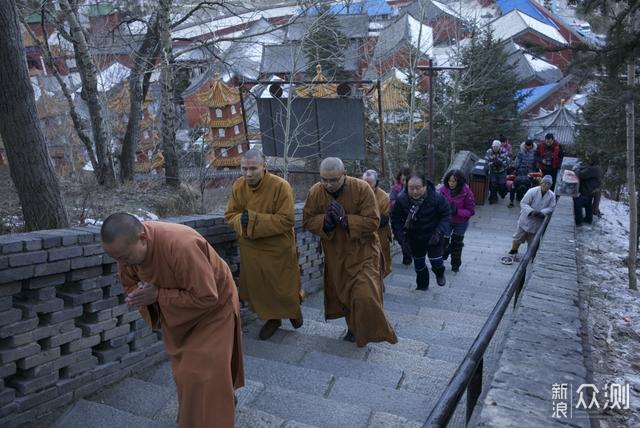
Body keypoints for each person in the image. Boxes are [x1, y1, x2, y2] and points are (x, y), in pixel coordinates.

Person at [101, 213, 244, 428]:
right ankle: (204, 409)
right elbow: (130, 283)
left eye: (125, 258)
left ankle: (215, 416)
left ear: (143, 238)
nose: (122, 264)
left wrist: (158, 296)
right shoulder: (127, 252)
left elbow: (207, 295)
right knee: (185, 373)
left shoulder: (181, 245)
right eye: (117, 259)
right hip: (179, 312)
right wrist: (140, 294)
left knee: (203, 371)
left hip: (215, 308)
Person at [303, 157, 398, 347]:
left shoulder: (362, 189)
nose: (328, 185)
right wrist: (326, 222)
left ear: (344, 175)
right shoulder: (315, 192)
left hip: (363, 252)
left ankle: (376, 332)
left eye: (334, 180)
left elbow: (373, 221)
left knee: (365, 295)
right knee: (345, 294)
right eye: (324, 180)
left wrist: (345, 220)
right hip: (335, 254)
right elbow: (308, 219)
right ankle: (353, 328)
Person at [225, 149, 303, 340]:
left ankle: (293, 310)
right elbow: (230, 214)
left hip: (278, 247)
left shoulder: (280, 186)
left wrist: (251, 220)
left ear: (264, 167)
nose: (248, 174)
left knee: (283, 288)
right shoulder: (239, 186)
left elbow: (286, 220)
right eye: (244, 169)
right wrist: (241, 221)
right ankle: (273, 319)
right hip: (251, 247)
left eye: (253, 168)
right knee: (260, 289)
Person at [391, 174, 450, 290]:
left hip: (434, 235)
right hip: (415, 237)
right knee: (419, 264)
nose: (414, 191)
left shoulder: (436, 197)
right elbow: (396, 220)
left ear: (425, 186)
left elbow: (446, 215)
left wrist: (438, 232)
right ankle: (422, 285)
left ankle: (439, 273)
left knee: (436, 261)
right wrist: (402, 240)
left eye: (418, 188)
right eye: (411, 188)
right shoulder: (402, 199)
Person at [506, 175, 556, 260]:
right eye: (544, 183)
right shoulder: (532, 191)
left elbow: (551, 207)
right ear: (541, 183)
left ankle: (530, 255)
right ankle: (514, 250)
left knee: (533, 241)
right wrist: (531, 211)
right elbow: (524, 203)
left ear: (550, 185)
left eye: (548, 184)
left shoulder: (551, 195)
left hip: (538, 221)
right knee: (518, 237)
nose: (546, 185)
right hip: (526, 219)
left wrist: (542, 212)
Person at [439, 169, 475, 272]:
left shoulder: (466, 192)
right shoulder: (442, 190)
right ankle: (442, 256)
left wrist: (457, 211)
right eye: (450, 181)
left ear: (459, 181)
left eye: (454, 181)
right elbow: (436, 205)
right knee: (443, 241)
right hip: (446, 220)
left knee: (457, 244)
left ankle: (455, 264)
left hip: (461, 222)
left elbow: (471, 211)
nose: (451, 183)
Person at [362, 169, 393, 279]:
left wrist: (366, 223)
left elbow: (384, 219)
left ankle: (379, 284)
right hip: (361, 237)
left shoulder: (383, 197)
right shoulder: (358, 194)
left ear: (376, 183)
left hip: (380, 235)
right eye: (364, 182)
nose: (366, 185)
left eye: (369, 183)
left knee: (381, 262)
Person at [389, 166, 412, 265]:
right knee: (400, 237)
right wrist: (399, 203)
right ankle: (407, 253)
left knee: (409, 237)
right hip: (398, 216)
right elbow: (391, 200)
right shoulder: (396, 188)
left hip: (411, 217)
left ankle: (407, 255)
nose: (404, 182)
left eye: (407, 180)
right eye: (403, 180)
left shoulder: (413, 188)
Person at [572, 156, 602, 226]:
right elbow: (586, 168)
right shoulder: (596, 167)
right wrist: (580, 167)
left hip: (588, 190)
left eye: (590, 160)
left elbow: (581, 174)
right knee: (588, 204)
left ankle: (578, 221)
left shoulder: (594, 169)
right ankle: (588, 219)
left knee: (577, 203)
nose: (588, 161)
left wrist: (576, 169)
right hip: (591, 190)